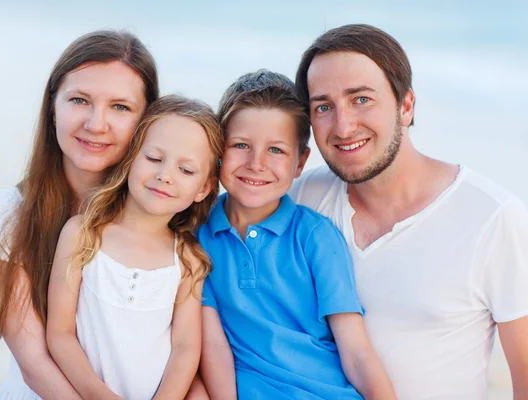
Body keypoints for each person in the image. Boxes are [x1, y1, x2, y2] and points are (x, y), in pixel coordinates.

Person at [290, 23, 528, 400]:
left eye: (361, 99)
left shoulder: (493, 217)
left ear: (406, 106)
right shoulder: (302, 196)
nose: (343, 125)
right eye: (323, 106)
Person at [0, 30, 159, 399]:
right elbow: (34, 362)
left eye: (120, 107)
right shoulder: (10, 214)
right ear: (52, 106)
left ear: (147, 120)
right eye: (79, 100)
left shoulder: (167, 213)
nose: (96, 123)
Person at [198, 70, 396, 400]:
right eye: (241, 145)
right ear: (218, 150)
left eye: (276, 150)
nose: (256, 163)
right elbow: (211, 345)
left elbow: (356, 352)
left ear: (300, 162)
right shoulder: (198, 238)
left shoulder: (316, 237)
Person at [46, 94, 223, 399]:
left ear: (204, 188)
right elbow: (60, 334)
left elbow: (185, 348)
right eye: (154, 158)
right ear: (131, 158)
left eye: (187, 170)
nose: (164, 175)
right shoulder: (82, 234)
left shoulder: (186, 259)